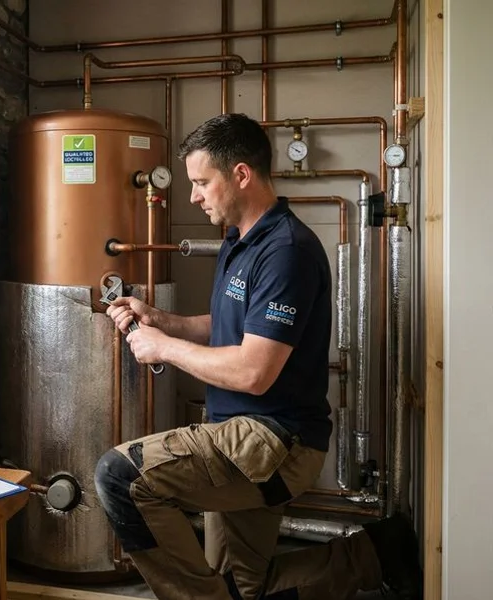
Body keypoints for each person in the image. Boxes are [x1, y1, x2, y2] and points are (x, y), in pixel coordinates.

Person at [95, 113, 423, 600]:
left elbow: (254, 371)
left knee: (120, 477)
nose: (193, 195)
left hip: (272, 440)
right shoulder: (238, 243)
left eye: (202, 182)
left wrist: (163, 349)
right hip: (240, 433)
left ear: (241, 175)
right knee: (243, 588)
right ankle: (375, 554)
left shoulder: (285, 250)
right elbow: (235, 331)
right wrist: (163, 321)